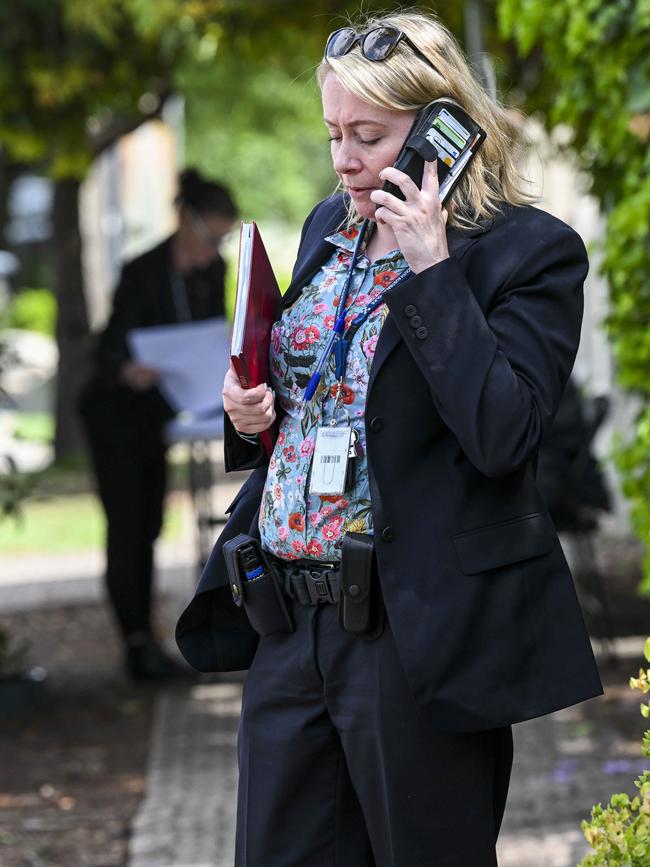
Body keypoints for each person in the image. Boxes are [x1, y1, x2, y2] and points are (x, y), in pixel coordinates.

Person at [176, 10, 603, 865]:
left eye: (370, 136)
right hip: (289, 622)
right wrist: (250, 407)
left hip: (413, 631)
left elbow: (504, 433)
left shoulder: (528, 253)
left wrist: (431, 270)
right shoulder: (325, 230)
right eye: (334, 132)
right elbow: (322, 398)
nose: (344, 159)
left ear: (440, 129)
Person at [79, 168, 237, 681]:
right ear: (185, 220)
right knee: (131, 528)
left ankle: (160, 638)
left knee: (150, 523)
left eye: (223, 238)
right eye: (210, 236)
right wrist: (129, 368)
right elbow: (109, 350)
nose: (216, 249)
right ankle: (137, 644)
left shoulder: (212, 271)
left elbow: (209, 337)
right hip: (119, 414)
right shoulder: (143, 270)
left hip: (167, 413)